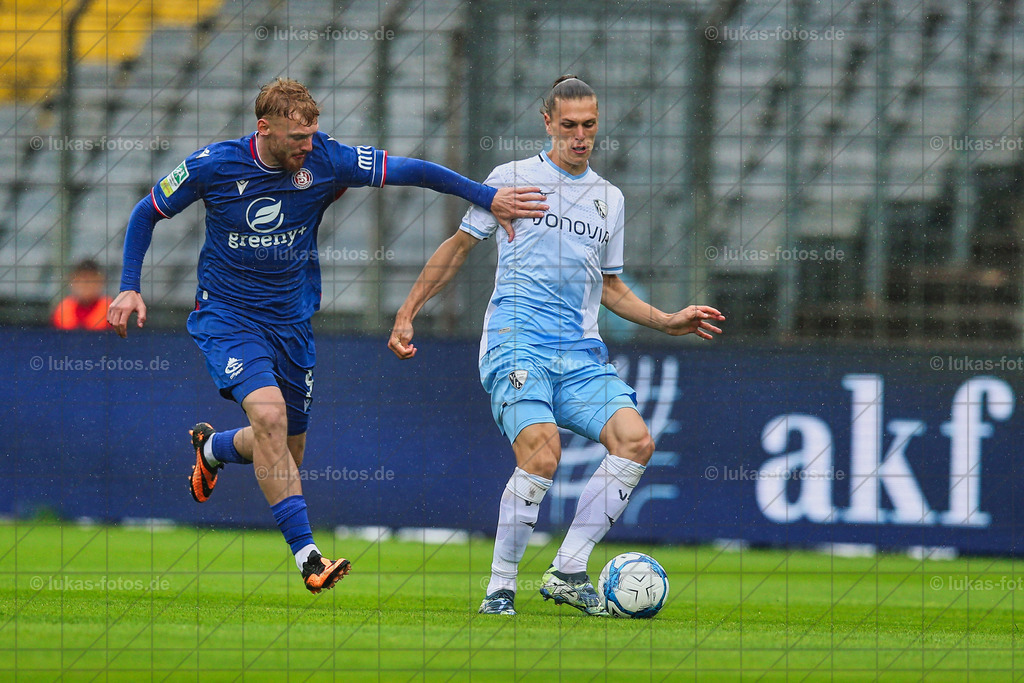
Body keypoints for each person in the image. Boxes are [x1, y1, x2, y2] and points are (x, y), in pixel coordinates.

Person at [107, 77, 547, 594]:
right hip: (228, 317)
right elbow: (146, 211)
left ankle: (215, 448)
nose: (308, 145)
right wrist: (129, 286)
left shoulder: (326, 159)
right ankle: (309, 558)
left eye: (313, 134)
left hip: (291, 324)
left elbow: (415, 171)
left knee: (285, 451)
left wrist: (487, 196)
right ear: (264, 128)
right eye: (298, 137)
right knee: (270, 418)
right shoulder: (214, 165)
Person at [389, 75, 724, 615]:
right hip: (516, 341)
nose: (580, 136)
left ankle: (568, 569)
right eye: (569, 125)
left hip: (580, 354)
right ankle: (500, 588)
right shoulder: (513, 179)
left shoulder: (609, 199)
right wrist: (408, 313)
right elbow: (458, 247)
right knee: (543, 452)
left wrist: (666, 320)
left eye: (589, 125)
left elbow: (610, 287)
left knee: (635, 441)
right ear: (547, 122)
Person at [52, 259, 113, 330]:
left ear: (101, 281)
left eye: (91, 279)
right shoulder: (63, 309)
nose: (85, 285)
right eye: (81, 278)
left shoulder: (112, 309)